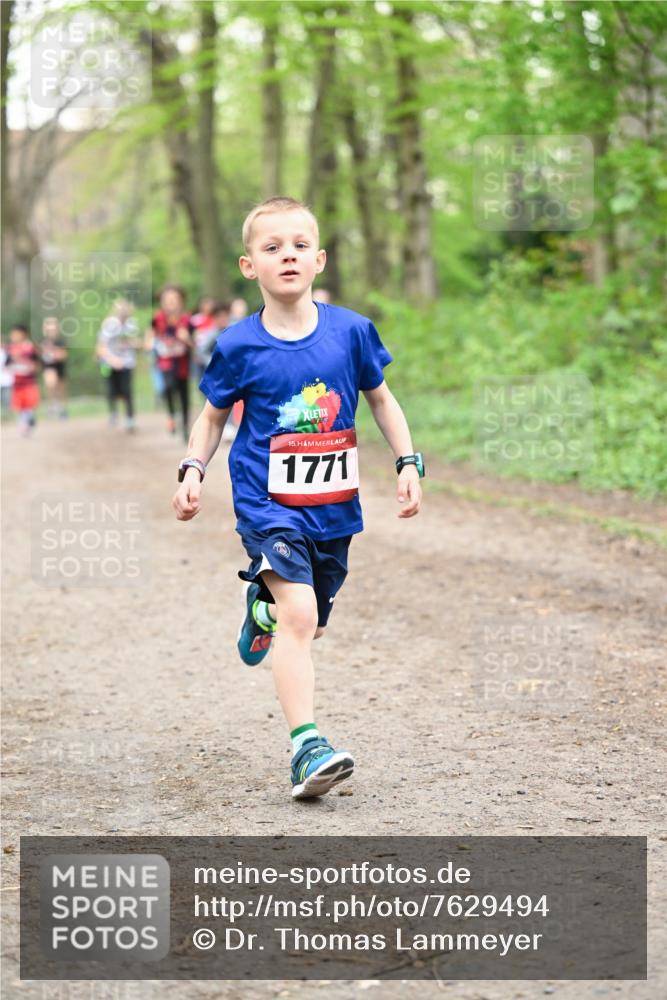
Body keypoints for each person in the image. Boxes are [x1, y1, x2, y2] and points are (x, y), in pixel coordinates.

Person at [172, 196, 423, 800]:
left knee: (309, 622)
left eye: (299, 245)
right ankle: (306, 744)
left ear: (320, 259)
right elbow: (211, 418)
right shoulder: (239, 345)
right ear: (248, 266)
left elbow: (382, 400)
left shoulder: (352, 333)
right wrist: (191, 467)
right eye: (272, 247)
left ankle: (261, 608)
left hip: (334, 507)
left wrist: (407, 460)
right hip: (267, 502)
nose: (287, 254)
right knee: (302, 615)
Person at [145, 285, 193, 441]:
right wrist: (149, 342)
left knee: (184, 394)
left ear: (181, 301)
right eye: (168, 300)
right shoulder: (157, 318)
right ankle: (172, 416)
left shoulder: (187, 319)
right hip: (165, 362)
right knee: (168, 388)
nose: (171, 303)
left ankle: (185, 427)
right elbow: (150, 335)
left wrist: (186, 338)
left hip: (183, 363)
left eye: (175, 300)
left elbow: (195, 343)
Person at [96, 299, 140, 432]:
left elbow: (137, 342)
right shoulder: (109, 325)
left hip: (127, 363)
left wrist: (135, 344)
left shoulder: (132, 325)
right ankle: (113, 413)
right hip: (108, 363)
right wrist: (112, 360)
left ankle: (130, 419)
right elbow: (101, 346)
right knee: (111, 390)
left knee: (127, 391)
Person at [6, 324, 41, 436]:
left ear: (23, 334)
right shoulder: (11, 348)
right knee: (19, 405)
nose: (14, 336)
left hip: (29, 382)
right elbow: (7, 364)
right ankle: (23, 423)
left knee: (29, 403)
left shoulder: (30, 347)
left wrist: (29, 366)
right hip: (17, 382)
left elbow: (37, 364)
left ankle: (29, 419)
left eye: (16, 334)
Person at [192, 297, 228, 384]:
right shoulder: (212, 334)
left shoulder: (232, 331)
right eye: (219, 316)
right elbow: (201, 351)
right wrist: (213, 361)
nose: (222, 319)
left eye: (225, 315)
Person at [40, 317, 68, 418]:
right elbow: (42, 355)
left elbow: (63, 355)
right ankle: (52, 405)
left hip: (59, 367)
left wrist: (53, 354)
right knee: (50, 384)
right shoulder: (43, 341)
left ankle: (61, 407)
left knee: (60, 388)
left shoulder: (60, 341)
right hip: (49, 367)